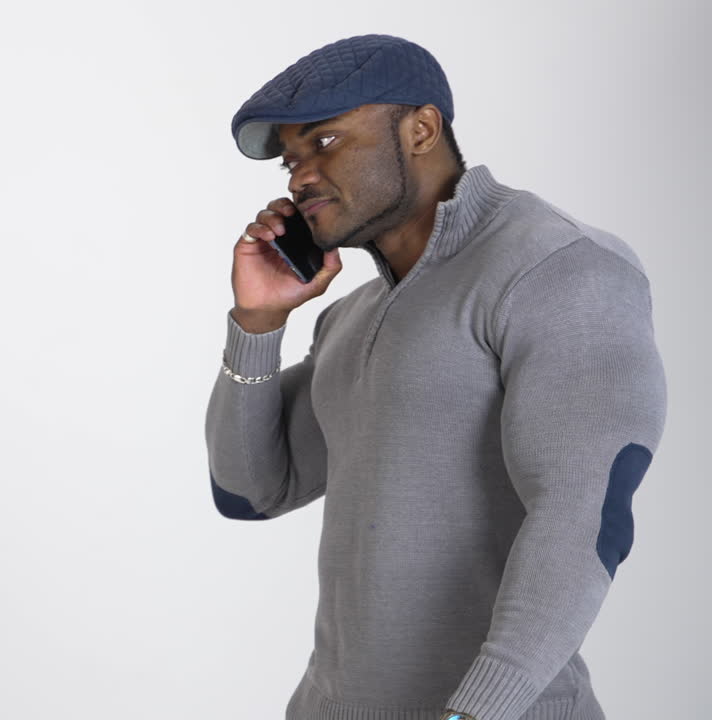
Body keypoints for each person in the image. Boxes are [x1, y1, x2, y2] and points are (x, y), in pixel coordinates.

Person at [205, 33, 666, 720]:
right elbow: (249, 491)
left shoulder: (557, 267)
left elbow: (581, 519)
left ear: (421, 128)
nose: (299, 177)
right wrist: (258, 324)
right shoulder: (355, 317)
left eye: (325, 143)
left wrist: (475, 713)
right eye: (290, 162)